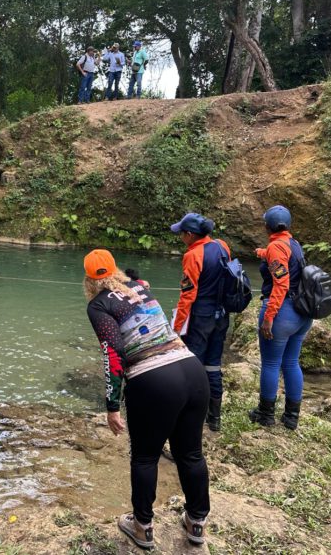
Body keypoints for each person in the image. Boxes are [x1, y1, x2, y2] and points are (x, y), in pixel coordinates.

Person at [84, 249, 210, 549]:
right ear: (114, 269)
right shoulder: (139, 287)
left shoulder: (98, 306)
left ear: (88, 278)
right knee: (190, 453)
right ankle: (196, 522)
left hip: (154, 380)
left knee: (145, 457)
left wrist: (112, 405)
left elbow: (112, 352)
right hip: (192, 369)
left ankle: (142, 527)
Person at [248, 205, 312, 430]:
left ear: (267, 226)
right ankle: (292, 417)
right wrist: (262, 253)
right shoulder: (293, 244)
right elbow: (285, 263)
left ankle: (265, 414)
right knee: (291, 362)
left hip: (283, 313)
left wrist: (268, 317)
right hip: (302, 313)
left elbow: (281, 284)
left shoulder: (276, 247)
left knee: (271, 363)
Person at [170, 212, 231, 432]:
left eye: (182, 234)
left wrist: (176, 328)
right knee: (213, 365)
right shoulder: (222, 246)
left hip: (200, 317)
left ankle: (190, 417)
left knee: (192, 366)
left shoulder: (193, 255)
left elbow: (188, 295)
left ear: (190, 234)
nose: (180, 238)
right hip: (222, 315)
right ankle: (214, 419)